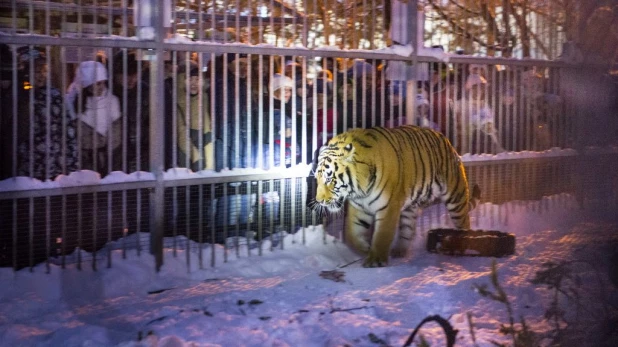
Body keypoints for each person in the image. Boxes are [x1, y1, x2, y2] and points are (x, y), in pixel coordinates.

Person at [16, 49, 78, 180]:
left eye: (44, 71)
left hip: (55, 169)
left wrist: (71, 164)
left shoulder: (54, 96)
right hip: (26, 170)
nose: (41, 75)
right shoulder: (17, 97)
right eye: (37, 71)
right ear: (25, 72)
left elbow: (68, 131)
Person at [68, 60, 122, 175]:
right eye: (98, 83)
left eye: (103, 82)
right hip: (80, 163)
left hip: (107, 162)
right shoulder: (70, 102)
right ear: (86, 84)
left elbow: (116, 139)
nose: (102, 87)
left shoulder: (112, 101)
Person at [112, 51, 150, 172]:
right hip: (115, 154)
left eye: (136, 74)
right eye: (127, 74)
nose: (132, 79)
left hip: (141, 151)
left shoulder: (144, 91)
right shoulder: (108, 93)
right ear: (116, 73)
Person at [175, 62, 213, 171]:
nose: (194, 83)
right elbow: (181, 133)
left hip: (204, 145)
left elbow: (208, 127)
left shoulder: (205, 98)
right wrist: (196, 157)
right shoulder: (178, 100)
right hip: (186, 150)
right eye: (190, 79)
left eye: (197, 79)